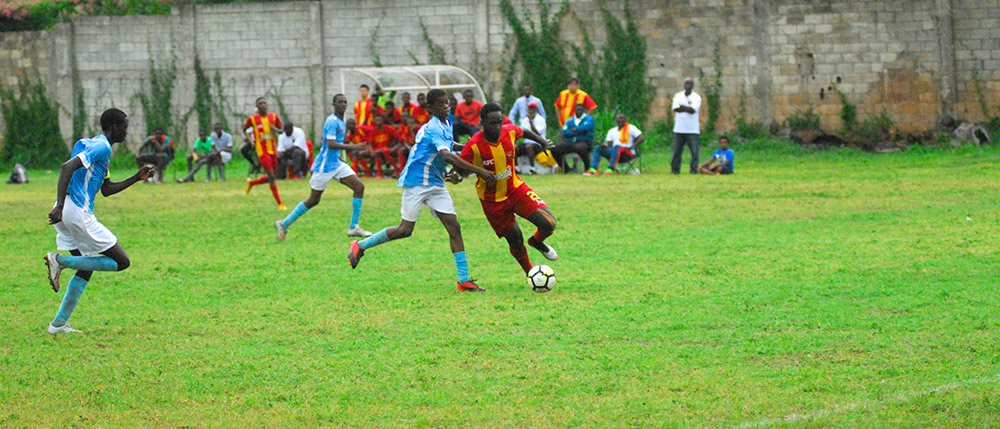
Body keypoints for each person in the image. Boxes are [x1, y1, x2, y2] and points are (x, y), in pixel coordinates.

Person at [347, 89, 497, 292]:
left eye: (447, 103)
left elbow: (449, 146)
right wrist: (479, 170)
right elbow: (446, 155)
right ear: (430, 109)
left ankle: (463, 280)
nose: (447, 106)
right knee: (405, 230)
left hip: (435, 183)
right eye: (442, 104)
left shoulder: (446, 123)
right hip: (416, 182)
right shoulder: (433, 127)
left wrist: (470, 149)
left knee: (454, 226)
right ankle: (360, 245)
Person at [43, 108, 153, 334]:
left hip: (66, 210)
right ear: (114, 127)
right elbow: (67, 167)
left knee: (86, 267)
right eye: (125, 126)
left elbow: (107, 190)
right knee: (122, 262)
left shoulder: (96, 147)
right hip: (75, 211)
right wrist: (62, 206)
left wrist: (137, 177)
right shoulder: (101, 146)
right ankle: (59, 261)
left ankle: (58, 324)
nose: (127, 131)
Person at [457, 103, 558, 278]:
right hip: (492, 200)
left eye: (499, 122)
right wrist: (456, 176)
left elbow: (524, 131)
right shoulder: (473, 145)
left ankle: (536, 241)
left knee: (548, 223)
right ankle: (532, 275)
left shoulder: (508, 131)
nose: (497, 127)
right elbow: (460, 167)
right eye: (492, 123)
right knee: (515, 239)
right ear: (482, 122)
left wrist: (541, 141)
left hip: (515, 189)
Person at [276, 94, 373, 241]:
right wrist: (354, 147)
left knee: (359, 187)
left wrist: (340, 158)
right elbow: (330, 144)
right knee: (313, 200)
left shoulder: (341, 122)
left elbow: (332, 148)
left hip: (336, 163)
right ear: (333, 104)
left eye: (345, 102)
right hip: (324, 166)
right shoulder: (332, 121)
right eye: (340, 102)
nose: (343, 105)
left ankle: (353, 227)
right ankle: (284, 224)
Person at [243, 97, 286, 210]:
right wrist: (250, 139)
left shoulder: (273, 117)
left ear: (267, 105)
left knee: (272, 177)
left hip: (272, 150)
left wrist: (275, 130)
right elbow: (245, 129)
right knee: (271, 176)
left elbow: (281, 130)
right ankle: (280, 203)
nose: (263, 105)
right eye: (260, 103)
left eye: (264, 103)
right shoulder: (252, 119)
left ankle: (252, 183)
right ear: (257, 107)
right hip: (262, 152)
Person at [550, 104, 594, 172]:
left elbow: (587, 128)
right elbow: (565, 131)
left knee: (581, 148)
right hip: (571, 142)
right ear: (574, 110)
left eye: (581, 110)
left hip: (584, 141)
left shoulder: (589, 118)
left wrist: (575, 130)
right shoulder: (570, 120)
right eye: (577, 110)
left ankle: (588, 169)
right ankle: (566, 169)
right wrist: (579, 132)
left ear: (584, 110)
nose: (579, 111)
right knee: (554, 149)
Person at [671, 77, 702, 174]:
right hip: (678, 129)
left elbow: (693, 110)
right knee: (676, 151)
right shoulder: (678, 96)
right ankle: (675, 170)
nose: (688, 86)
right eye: (686, 84)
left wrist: (682, 107)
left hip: (692, 130)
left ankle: (694, 169)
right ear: (684, 85)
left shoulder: (696, 97)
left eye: (690, 84)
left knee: (694, 152)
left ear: (693, 86)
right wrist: (686, 108)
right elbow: (675, 108)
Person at [358, 113, 399, 178]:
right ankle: (368, 172)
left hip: (386, 149)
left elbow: (397, 139)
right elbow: (370, 143)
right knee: (360, 154)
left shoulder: (389, 128)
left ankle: (380, 173)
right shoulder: (373, 130)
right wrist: (371, 151)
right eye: (376, 120)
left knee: (379, 152)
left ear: (383, 120)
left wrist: (392, 146)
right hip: (376, 149)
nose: (378, 122)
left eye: (380, 120)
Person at [515, 102, 547, 174]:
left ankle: (532, 168)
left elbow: (537, 134)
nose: (531, 111)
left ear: (537, 110)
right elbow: (521, 134)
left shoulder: (541, 120)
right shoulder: (524, 120)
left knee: (529, 147)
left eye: (533, 109)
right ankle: (516, 168)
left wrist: (531, 121)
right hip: (527, 142)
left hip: (539, 143)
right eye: (530, 109)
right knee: (514, 147)